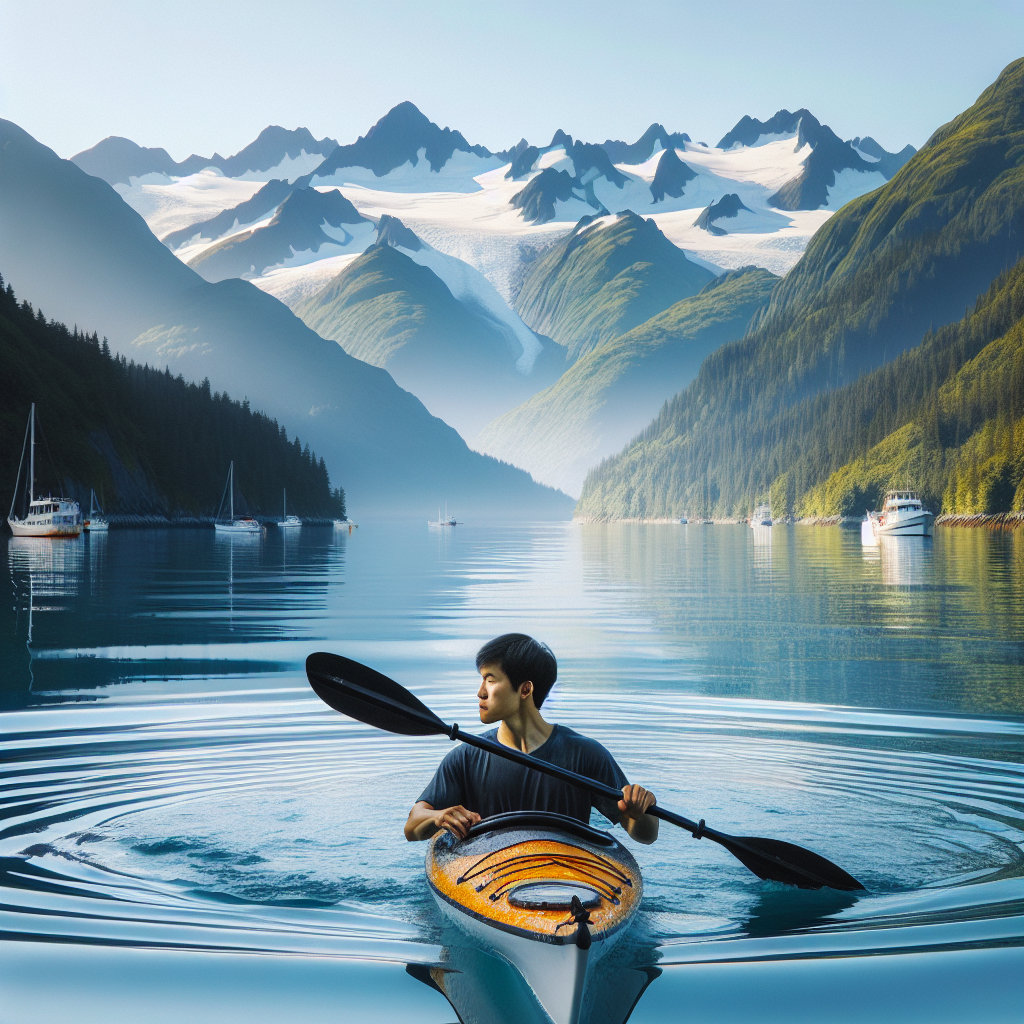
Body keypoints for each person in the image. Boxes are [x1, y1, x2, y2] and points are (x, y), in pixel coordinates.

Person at [404, 633, 659, 844]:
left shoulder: (585, 754)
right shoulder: (466, 757)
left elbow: (645, 835)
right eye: (481, 680)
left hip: (568, 879)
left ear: (525, 689)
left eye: (490, 680)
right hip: (486, 879)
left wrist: (641, 813)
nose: (480, 692)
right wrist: (437, 816)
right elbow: (412, 826)